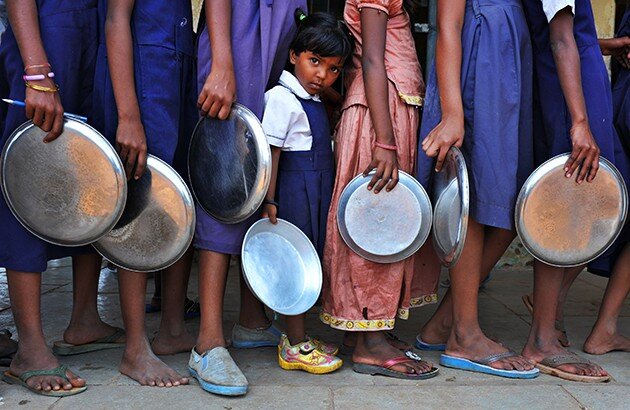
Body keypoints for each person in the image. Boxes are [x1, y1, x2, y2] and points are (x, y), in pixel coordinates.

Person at [0, 0, 125, 396]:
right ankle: (31, 350)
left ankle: (85, 318)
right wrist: (36, 69)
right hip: (47, 33)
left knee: (89, 173)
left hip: (96, 30)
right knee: (30, 176)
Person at [415, 0, 538, 379]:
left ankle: (445, 324)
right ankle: (465, 336)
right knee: (474, 195)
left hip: (508, 54)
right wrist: (453, 112)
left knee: (510, 203)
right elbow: (449, 23)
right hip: (481, 58)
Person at [189, 0, 306, 396]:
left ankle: (251, 320)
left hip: (275, 39)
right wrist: (222, 63)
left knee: (260, 179)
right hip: (237, 46)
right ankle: (208, 343)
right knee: (226, 181)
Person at [321, 0, 439, 380]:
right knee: (376, 224)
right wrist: (385, 141)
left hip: (387, 109)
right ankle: (371, 343)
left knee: (385, 225)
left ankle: (368, 332)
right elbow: (373, 60)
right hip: (379, 115)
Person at [90, 0, 198, 387]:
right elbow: (116, 18)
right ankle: (135, 349)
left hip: (176, 71)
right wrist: (129, 116)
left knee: (179, 199)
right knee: (141, 201)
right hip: (143, 78)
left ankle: (172, 327)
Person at [519, 0, 627, 382]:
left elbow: (567, 29)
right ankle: (542, 340)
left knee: (598, 207)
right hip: (574, 97)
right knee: (569, 209)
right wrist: (579, 122)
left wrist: (604, 45)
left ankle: (550, 314)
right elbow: (561, 40)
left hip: (581, 87)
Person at [260, 12, 352, 374]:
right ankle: (294, 344)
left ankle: (300, 337)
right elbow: (272, 153)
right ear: (293, 55)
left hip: (316, 190)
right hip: (294, 192)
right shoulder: (281, 99)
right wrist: (269, 199)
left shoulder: (313, 98)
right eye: (315, 62)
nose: (322, 76)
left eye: (333, 69)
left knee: (310, 260)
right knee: (294, 266)